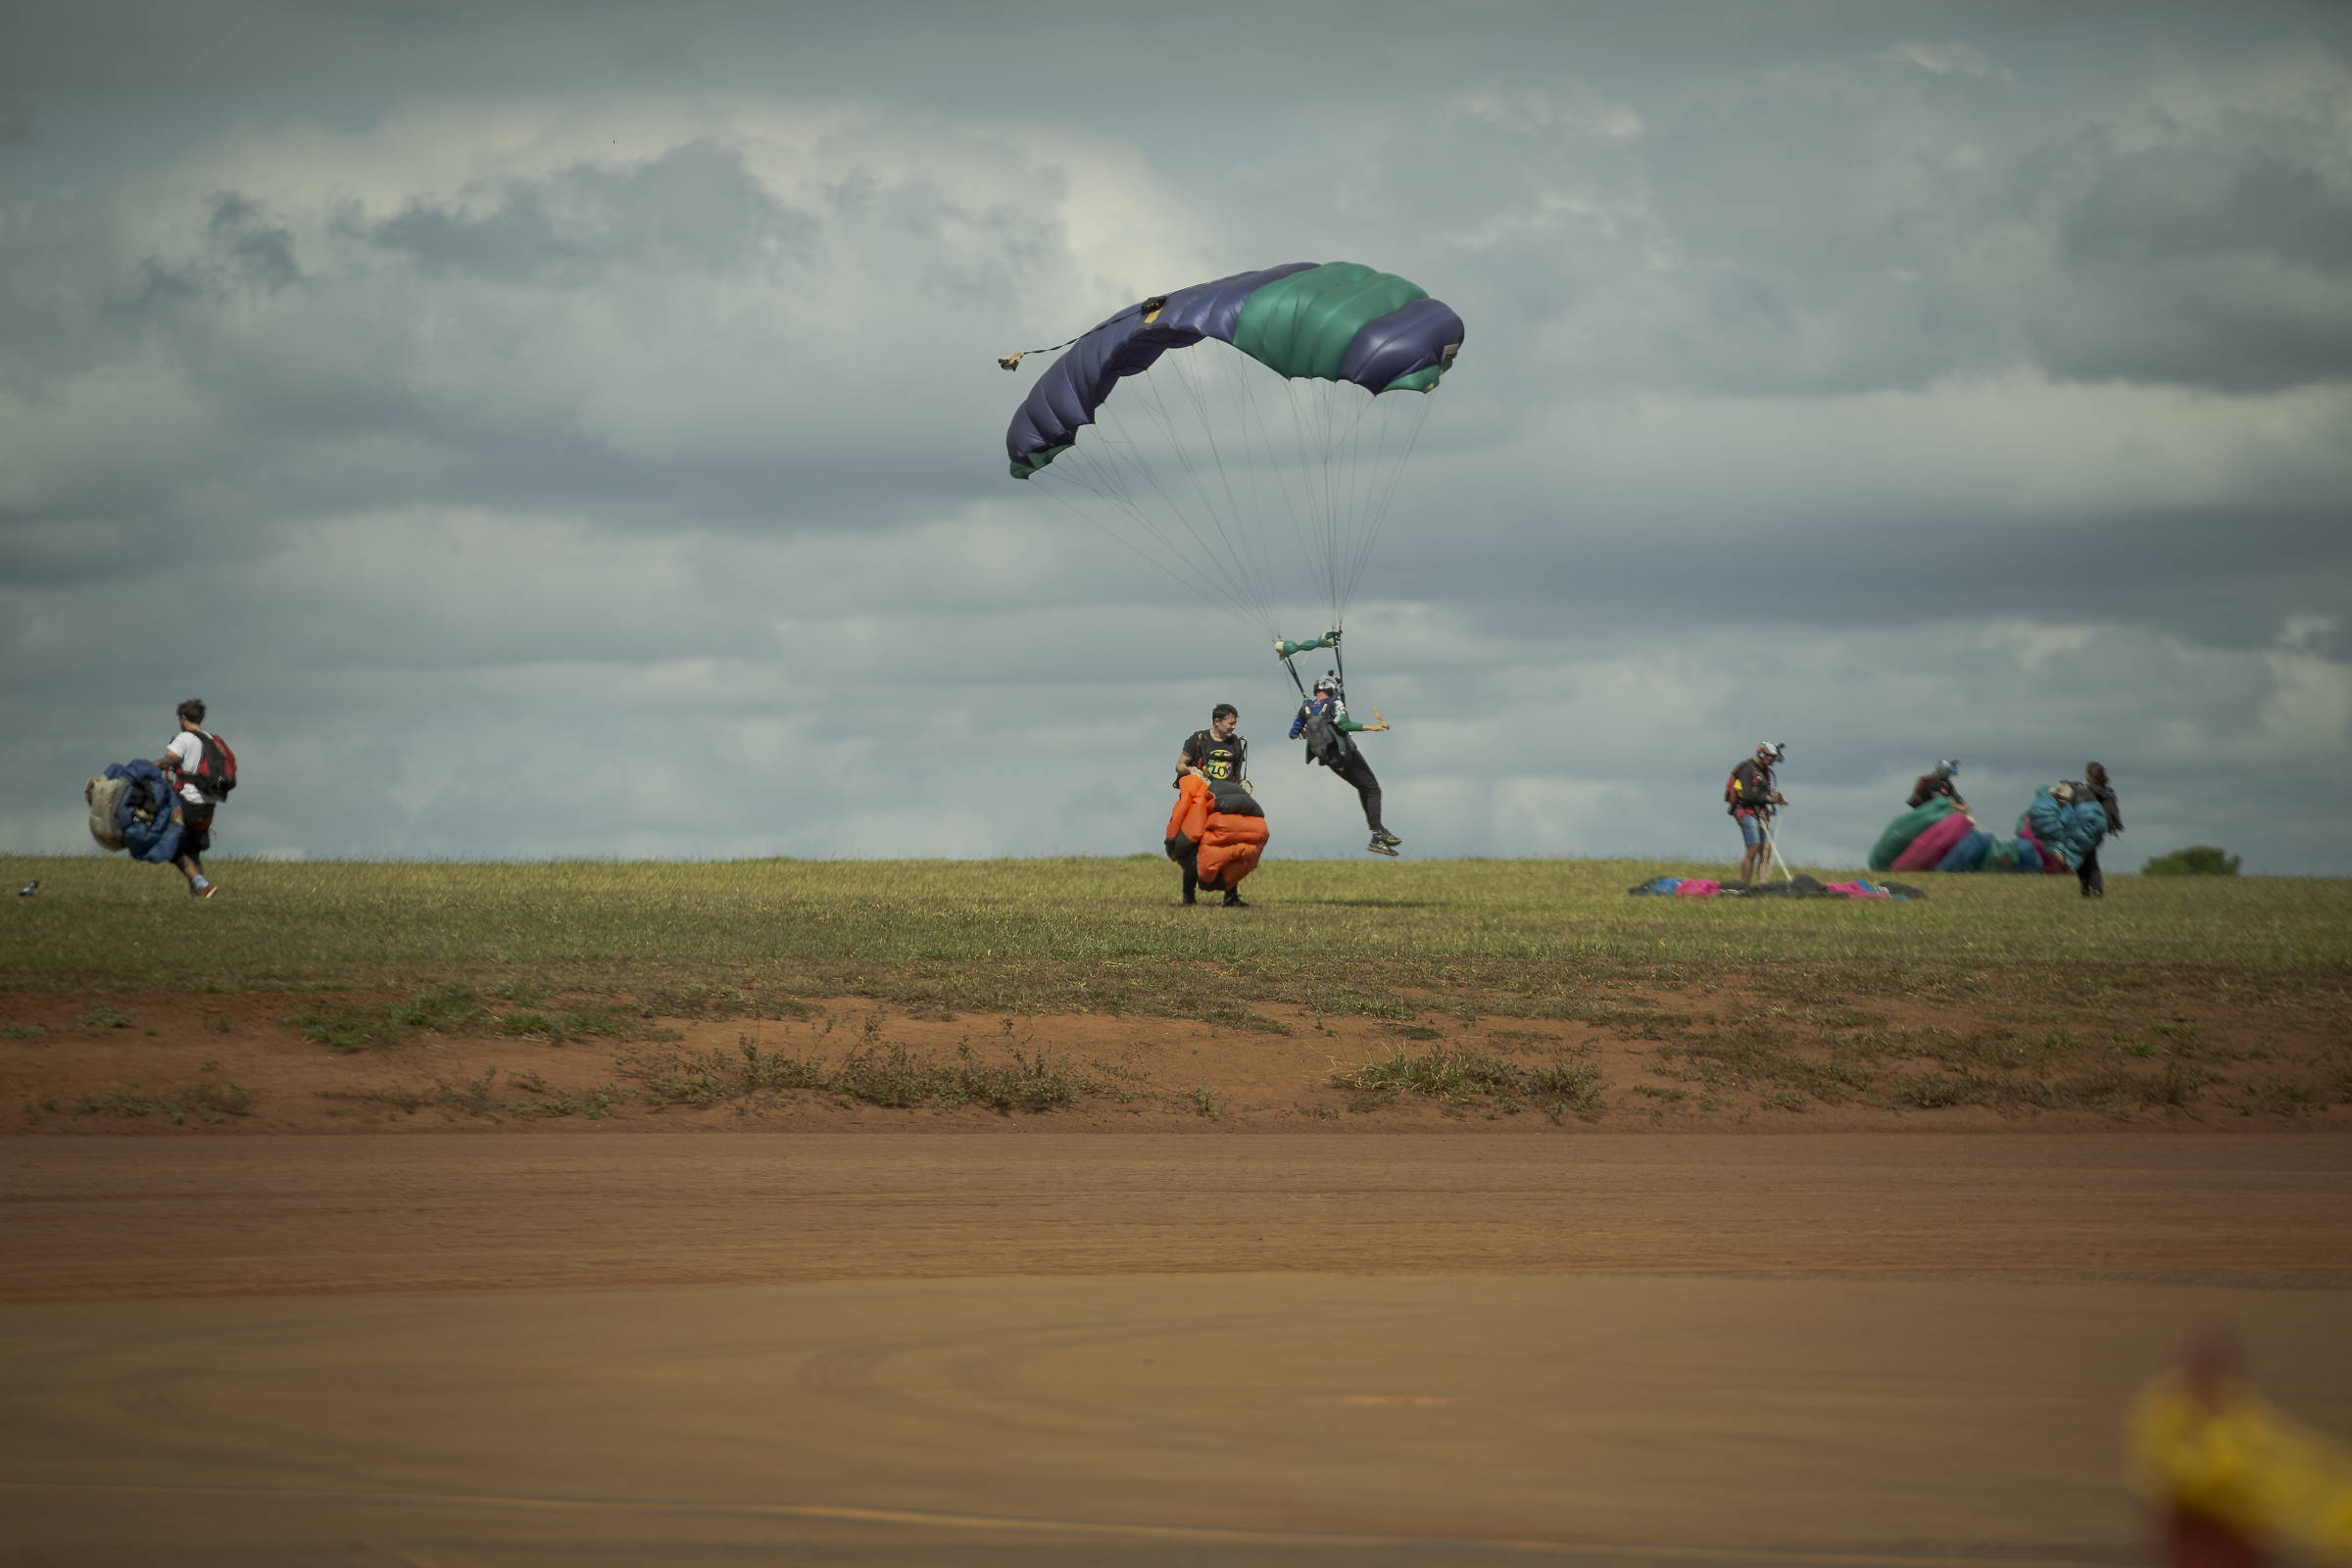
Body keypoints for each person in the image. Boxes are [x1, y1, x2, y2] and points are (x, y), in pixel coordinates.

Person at [1289, 675, 1397, 856]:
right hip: (1345, 753)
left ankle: (1378, 830)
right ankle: (1377, 836)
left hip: (1330, 760)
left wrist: (1304, 731)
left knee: (1364, 787)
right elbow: (1344, 723)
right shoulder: (1335, 703)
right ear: (1332, 689)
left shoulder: (1306, 707)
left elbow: (1293, 733)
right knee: (1373, 789)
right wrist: (1373, 727)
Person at [1175, 705, 1250, 905]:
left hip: (1225, 803)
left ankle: (1231, 897)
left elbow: (1237, 774)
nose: (1234, 727)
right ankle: (1188, 897)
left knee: (1230, 847)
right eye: (1230, 723)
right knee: (1196, 846)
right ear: (1217, 721)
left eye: (1235, 723)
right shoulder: (1198, 740)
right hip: (1200, 803)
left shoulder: (1235, 743)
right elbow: (1180, 764)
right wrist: (1191, 771)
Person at [152, 698, 223, 899]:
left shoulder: (184, 739)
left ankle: (203, 885)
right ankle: (197, 896)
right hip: (207, 806)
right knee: (192, 850)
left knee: (171, 847)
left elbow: (171, 759)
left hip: (188, 803)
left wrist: (154, 765)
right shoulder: (210, 738)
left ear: (183, 718)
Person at [1725, 742, 1787, 885]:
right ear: (1763, 754)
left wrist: (1776, 799)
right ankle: (1745, 886)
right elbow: (1747, 795)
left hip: (1761, 813)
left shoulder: (1764, 771)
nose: (1772, 762)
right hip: (1747, 812)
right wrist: (1770, 799)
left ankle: (1762, 884)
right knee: (1752, 849)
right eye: (1771, 758)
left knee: (1766, 849)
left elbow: (1763, 792)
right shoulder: (1746, 768)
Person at [2079, 761, 2122, 899]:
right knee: (2090, 859)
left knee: (2086, 860)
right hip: (2099, 831)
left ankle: (2091, 889)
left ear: (2089, 775)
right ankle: (2092, 889)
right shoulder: (2106, 792)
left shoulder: (2088, 791)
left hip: (2086, 830)